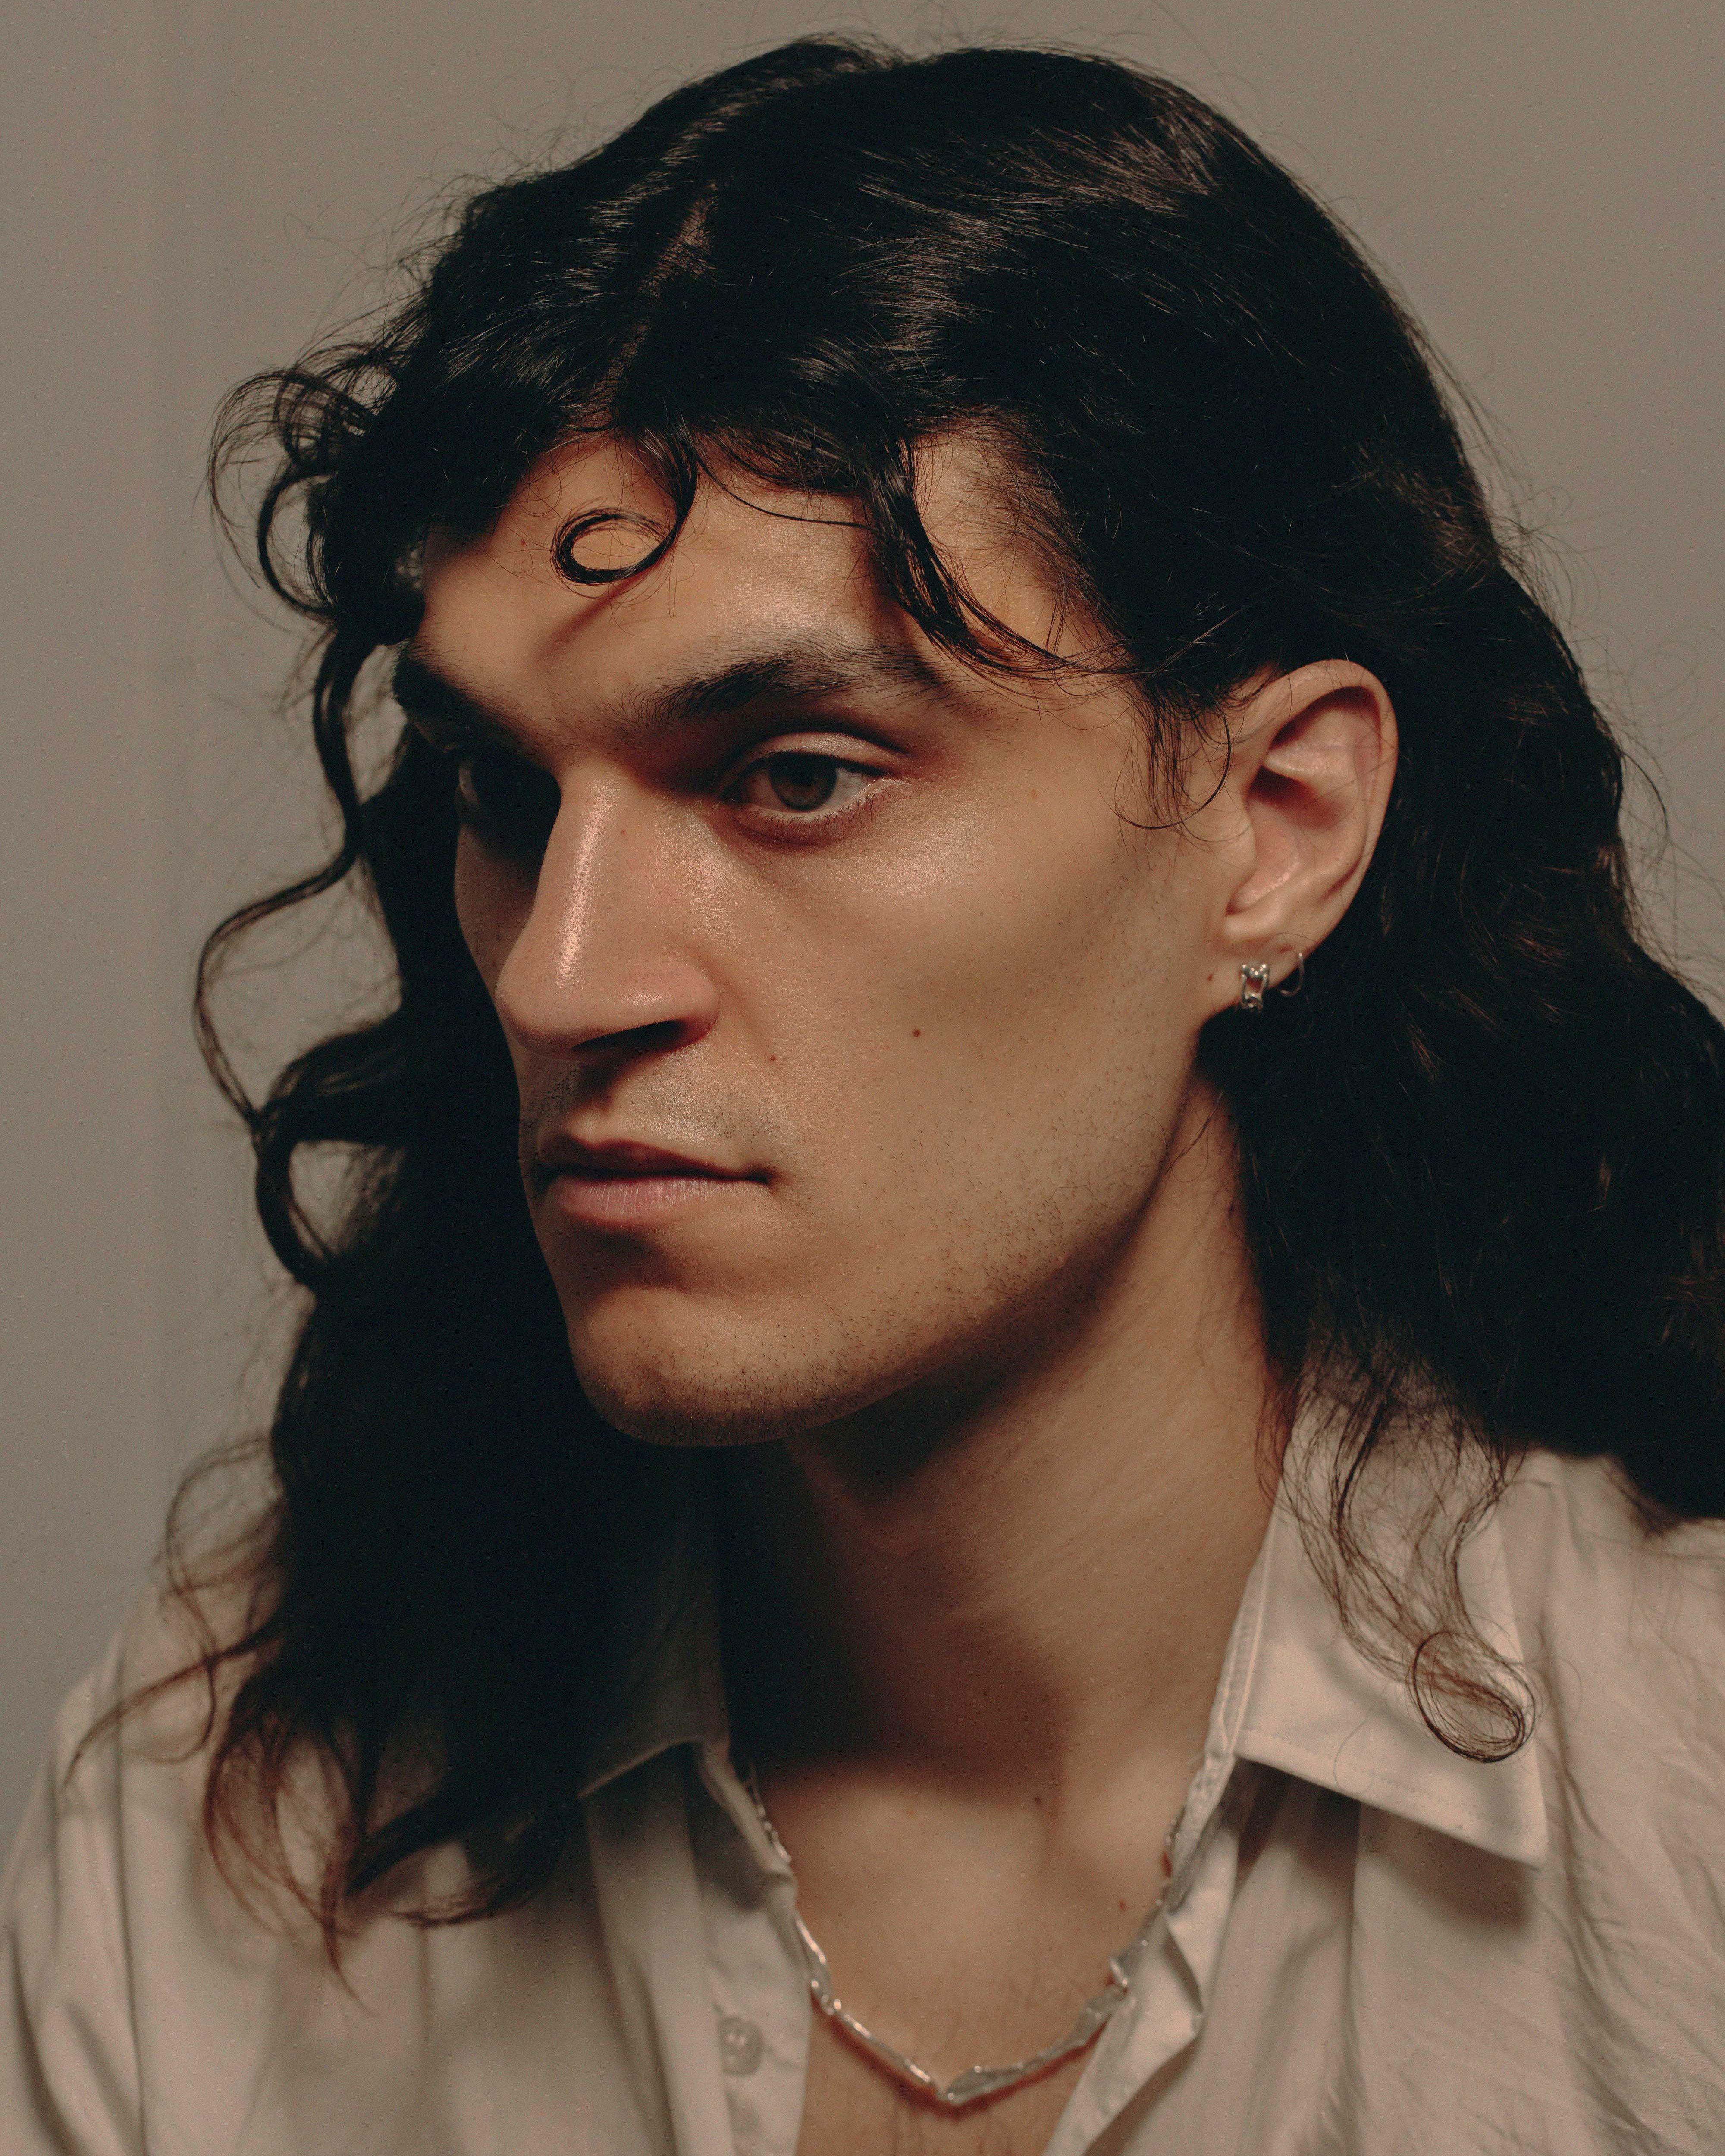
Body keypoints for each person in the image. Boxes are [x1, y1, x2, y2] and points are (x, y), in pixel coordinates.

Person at [4, 34, 1722, 2156]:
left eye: (794, 775)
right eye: (505, 791)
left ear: (1274, 824)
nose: (557, 976)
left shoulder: (1683, 1787)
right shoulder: (234, 1807)